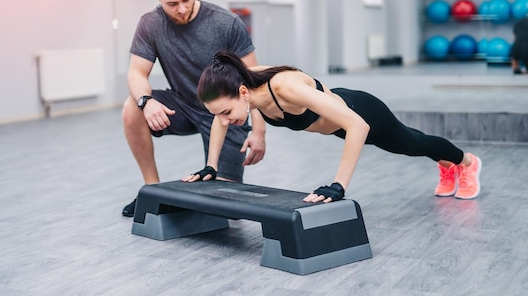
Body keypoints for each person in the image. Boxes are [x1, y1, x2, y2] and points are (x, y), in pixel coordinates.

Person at [184, 49, 482, 203]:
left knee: (414, 144)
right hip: (339, 123)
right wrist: (211, 166)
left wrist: (338, 185)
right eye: (218, 114)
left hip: (360, 112)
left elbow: (358, 126)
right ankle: (449, 164)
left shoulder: (285, 88)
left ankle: (466, 162)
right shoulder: (241, 84)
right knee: (415, 143)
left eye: (226, 112)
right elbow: (218, 119)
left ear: (243, 94)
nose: (223, 120)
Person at [121, 0, 266, 217]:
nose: (182, 8)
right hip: (184, 106)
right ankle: (153, 191)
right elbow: (137, 73)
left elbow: (254, 80)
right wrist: (147, 101)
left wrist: (259, 130)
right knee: (132, 106)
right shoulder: (150, 24)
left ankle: (217, 185)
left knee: (225, 208)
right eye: (172, 3)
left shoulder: (226, 23)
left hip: (225, 113)